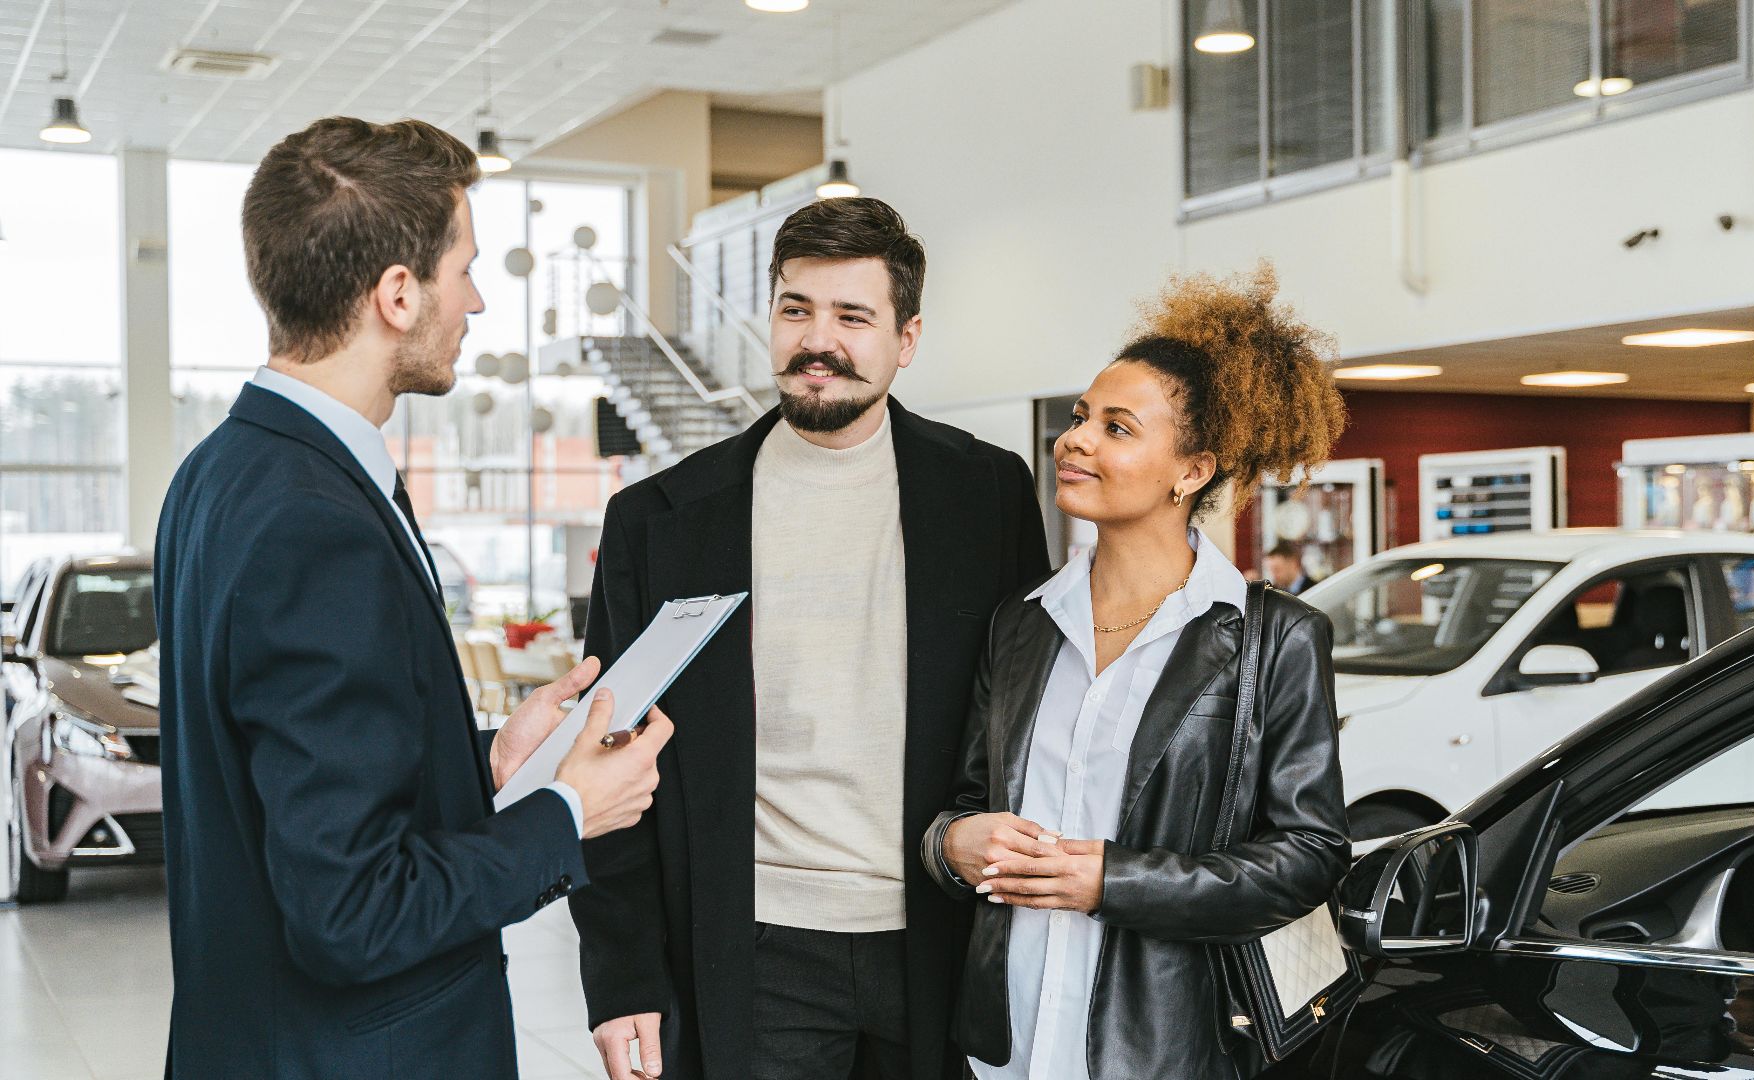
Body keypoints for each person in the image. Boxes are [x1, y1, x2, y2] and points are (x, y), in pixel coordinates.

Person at [154, 117, 673, 1080]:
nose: (474, 302)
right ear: (398, 293)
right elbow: (349, 912)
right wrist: (563, 814)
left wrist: (488, 766)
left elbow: (292, 788)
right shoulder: (316, 522)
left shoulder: (220, 471)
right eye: (462, 269)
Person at [571, 196, 1052, 1080]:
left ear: (906, 338)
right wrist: (622, 974)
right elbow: (606, 755)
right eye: (796, 309)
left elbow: (1023, 720)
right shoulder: (661, 522)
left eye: (852, 317)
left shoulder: (987, 495)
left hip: (936, 934)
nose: (816, 340)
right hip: (753, 948)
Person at [924, 264, 1351, 1080]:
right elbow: (967, 805)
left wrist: (1113, 879)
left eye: (1117, 428)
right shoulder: (1021, 625)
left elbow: (1309, 855)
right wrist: (952, 844)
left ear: (1191, 471)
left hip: (1161, 1046)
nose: (1075, 438)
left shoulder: (1277, 639)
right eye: (1081, 417)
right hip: (1003, 1044)